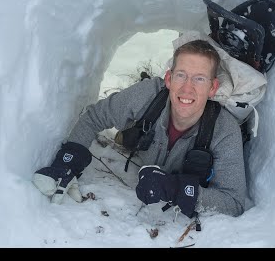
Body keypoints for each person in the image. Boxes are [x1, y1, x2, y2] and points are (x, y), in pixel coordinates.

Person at [32, 39, 247, 218]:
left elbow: (234, 202)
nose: (187, 88)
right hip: (142, 136)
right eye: (181, 75)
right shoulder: (148, 95)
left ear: (213, 87)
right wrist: (69, 158)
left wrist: (174, 188)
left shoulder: (224, 130)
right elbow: (94, 116)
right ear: (169, 79)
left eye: (199, 79)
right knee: (128, 133)